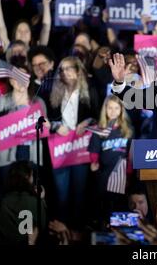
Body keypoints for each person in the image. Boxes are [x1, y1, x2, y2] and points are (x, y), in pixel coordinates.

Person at [49, 56, 100, 229]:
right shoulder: (54, 92)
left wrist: (87, 122)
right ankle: (62, 230)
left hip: (80, 148)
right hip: (60, 148)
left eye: (69, 68)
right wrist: (56, 126)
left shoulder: (90, 91)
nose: (65, 72)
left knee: (80, 193)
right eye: (62, 69)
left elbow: (99, 117)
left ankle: (77, 231)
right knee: (61, 194)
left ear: (78, 71)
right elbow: (46, 118)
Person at [88, 95, 133, 220]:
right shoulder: (99, 130)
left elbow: (131, 155)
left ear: (121, 110)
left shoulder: (128, 131)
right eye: (110, 108)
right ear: (105, 109)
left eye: (116, 108)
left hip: (122, 175)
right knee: (104, 209)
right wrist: (94, 163)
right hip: (104, 175)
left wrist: (129, 175)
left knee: (119, 208)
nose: (113, 111)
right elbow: (94, 152)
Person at [0, 161, 46, 245]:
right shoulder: (36, 201)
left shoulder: (0, 201)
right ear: (27, 177)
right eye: (32, 175)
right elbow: (43, 226)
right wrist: (42, 200)